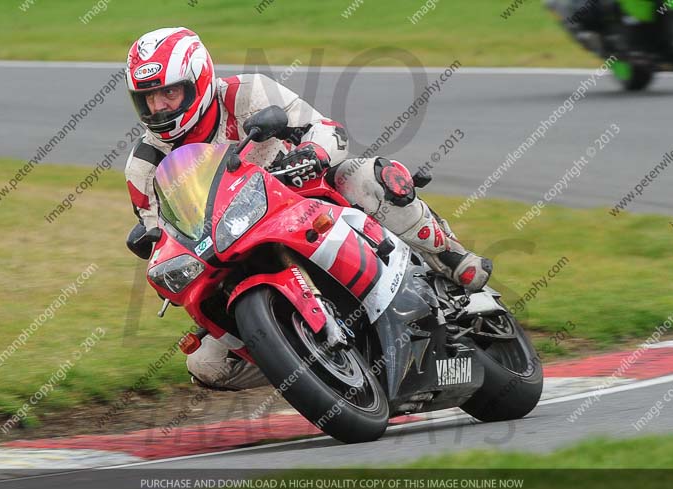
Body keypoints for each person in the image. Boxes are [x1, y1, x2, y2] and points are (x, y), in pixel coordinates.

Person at [123, 27, 493, 391]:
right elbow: (162, 234)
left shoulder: (246, 93)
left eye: (169, 92)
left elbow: (327, 129)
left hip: (301, 197)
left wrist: (313, 153)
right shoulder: (143, 167)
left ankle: (451, 257)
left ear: (199, 79)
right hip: (230, 246)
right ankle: (307, 365)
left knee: (363, 176)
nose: (160, 106)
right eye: (149, 98)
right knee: (205, 363)